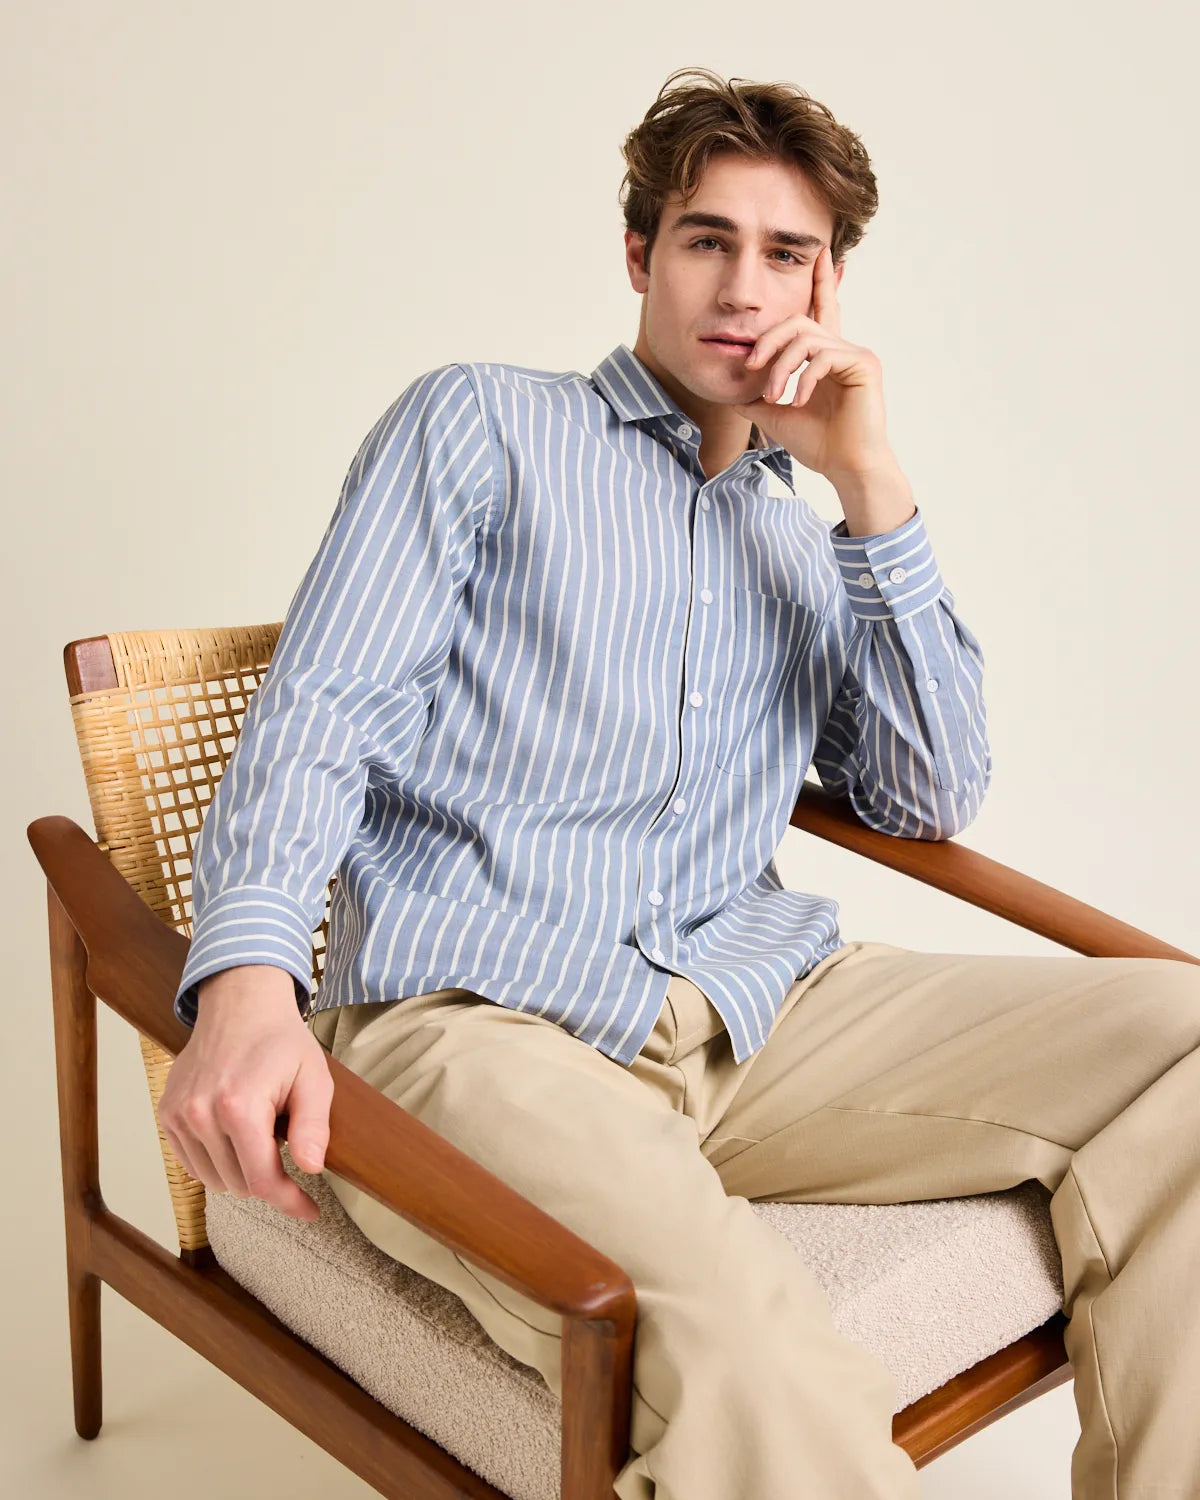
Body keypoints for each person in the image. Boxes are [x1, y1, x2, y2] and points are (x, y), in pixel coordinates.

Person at [158, 66, 1200, 1500]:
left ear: (829, 289)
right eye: (708, 239)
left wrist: (869, 489)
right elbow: (318, 714)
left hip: (755, 1013)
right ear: (642, 253)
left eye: (787, 255)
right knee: (753, 1349)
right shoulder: (481, 427)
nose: (743, 287)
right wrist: (247, 985)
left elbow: (927, 792)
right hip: (483, 1024)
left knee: (1186, 1030)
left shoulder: (800, 532)